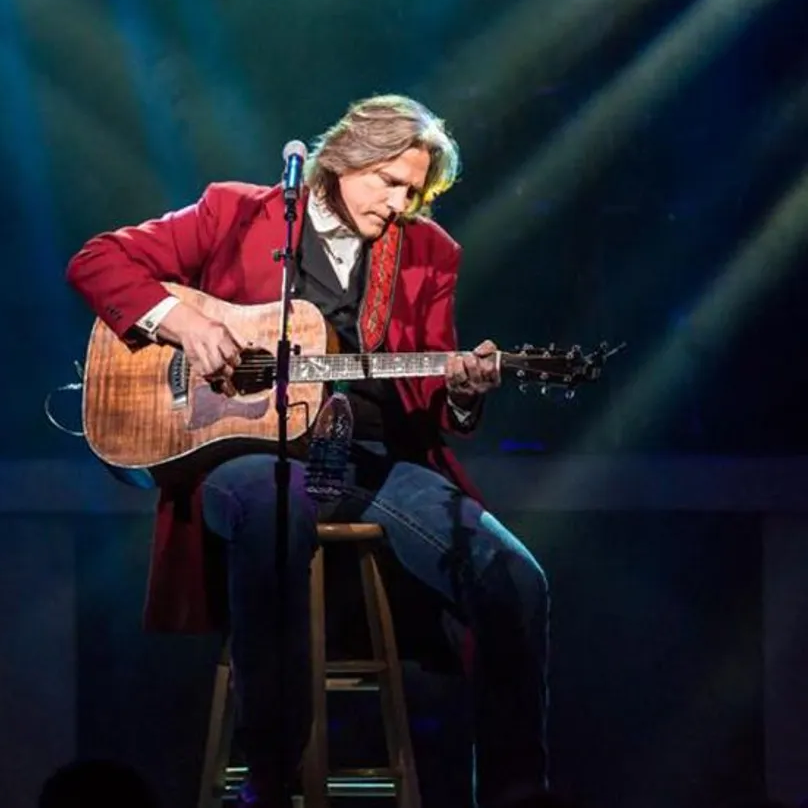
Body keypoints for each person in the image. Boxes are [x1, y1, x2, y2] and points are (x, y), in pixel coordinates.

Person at [66, 94, 549, 808]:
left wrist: (467, 391)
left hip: (376, 460)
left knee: (514, 576)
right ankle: (270, 774)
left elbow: (431, 402)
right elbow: (97, 260)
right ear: (345, 156)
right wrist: (186, 323)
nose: (400, 203)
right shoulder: (236, 213)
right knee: (273, 509)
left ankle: (517, 795)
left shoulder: (427, 253)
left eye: (414, 193)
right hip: (246, 456)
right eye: (390, 182)